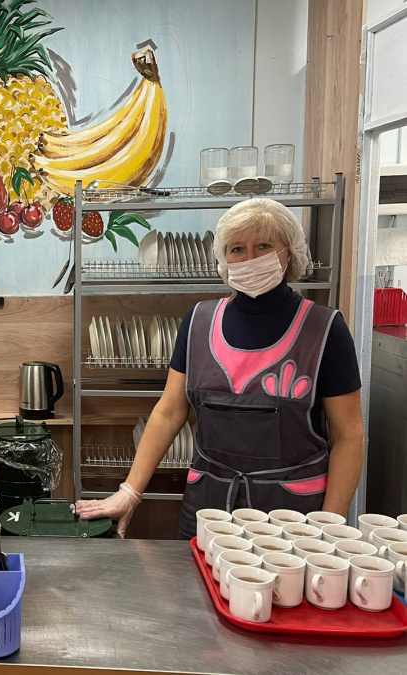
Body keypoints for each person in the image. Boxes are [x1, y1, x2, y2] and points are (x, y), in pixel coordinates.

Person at [75, 198, 365, 539]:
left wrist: (331, 524)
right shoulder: (198, 322)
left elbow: (350, 435)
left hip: (294, 517)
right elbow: (169, 412)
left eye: (263, 246)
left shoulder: (324, 329)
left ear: (289, 253)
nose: (250, 258)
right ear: (222, 258)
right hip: (209, 509)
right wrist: (129, 492)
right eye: (237, 249)